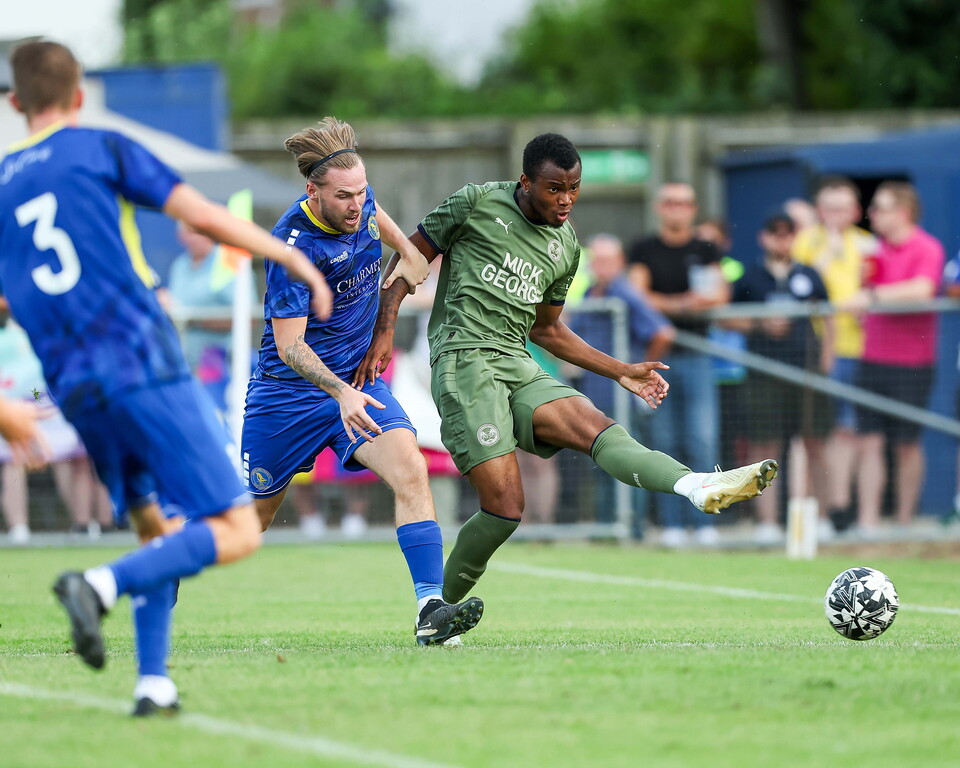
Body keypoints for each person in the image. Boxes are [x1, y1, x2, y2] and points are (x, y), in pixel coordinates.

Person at [0, 40, 333, 716]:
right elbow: (203, 214)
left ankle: (154, 682)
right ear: (79, 97)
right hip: (140, 362)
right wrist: (292, 262)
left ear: (14, 104)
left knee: (157, 529)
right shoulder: (100, 147)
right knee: (236, 530)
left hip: (76, 389)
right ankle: (97, 585)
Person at [356, 133, 778, 608]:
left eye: (573, 188)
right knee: (505, 509)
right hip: (463, 360)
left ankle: (696, 485)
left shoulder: (565, 245)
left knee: (596, 426)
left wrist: (620, 370)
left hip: (516, 358)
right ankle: (433, 608)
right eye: (555, 188)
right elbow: (409, 259)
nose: (566, 200)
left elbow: (548, 330)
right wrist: (384, 329)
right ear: (526, 182)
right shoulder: (475, 203)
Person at [240, 117, 483, 646]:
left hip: (357, 383)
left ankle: (430, 611)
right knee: (249, 524)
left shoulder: (366, 207)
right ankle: (162, 571)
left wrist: (384, 327)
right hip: (288, 396)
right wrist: (341, 392)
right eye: (345, 196)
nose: (358, 205)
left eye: (363, 192)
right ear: (313, 192)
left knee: (411, 470)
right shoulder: (291, 246)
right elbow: (290, 346)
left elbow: (414, 257)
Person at [626, 183, 729, 547]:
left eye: (684, 203)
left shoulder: (705, 248)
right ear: (659, 208)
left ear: (694, 208)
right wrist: (684, 303)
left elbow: (718, 294)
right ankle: (670, 524)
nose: (677, 209)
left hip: (698, 355)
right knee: (664, 442)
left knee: (701, 439)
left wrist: (669, 304)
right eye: (670, 202)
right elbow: (639, 295)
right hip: (658, 358)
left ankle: (706, 522)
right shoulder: (643, 248)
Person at [840, 182, 944, 534]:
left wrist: (872, 297)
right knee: (868, 441)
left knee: (906, 444)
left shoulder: (927, 247)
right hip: (872, 358)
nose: (874, 215)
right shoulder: (874, 252)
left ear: (903, 212)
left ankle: (904, 521)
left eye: (881, 208)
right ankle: (868, 522)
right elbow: (861, 301)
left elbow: (922, 289)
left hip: (913, 362)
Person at [726, 211, 833, 544]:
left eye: (788, 234)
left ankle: (822, 517)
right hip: (763, 372)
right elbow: (726, 318)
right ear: (764, 237)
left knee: (814, 443)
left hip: (806, 371)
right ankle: (767, 521)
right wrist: (761, 323)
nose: (781, 240)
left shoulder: (809, 274)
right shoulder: (749, 277)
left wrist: (827, 357)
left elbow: (827, 317)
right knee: (765, 445)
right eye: (775, 233)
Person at [569, 233, 673, 537]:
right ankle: (608, 528)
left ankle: (633, 528)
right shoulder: (590, 293)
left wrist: (644, 372)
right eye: (596, 260)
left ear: (620, 263)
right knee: (603, 462)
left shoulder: (624, 294)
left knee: (630, 461)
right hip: (596, 393)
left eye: (607, 260)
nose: (600, 266)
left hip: (624, 396)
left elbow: (662, 332)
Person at [792, 177, 875, 533]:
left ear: (855, 211)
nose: (836, 216)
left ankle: (844, 508)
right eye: (829, 208)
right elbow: (801, 284)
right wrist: (827, 252)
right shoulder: (805, 242)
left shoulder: (868, 244)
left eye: (843, 209)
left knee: (851, 432)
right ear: (819, 210)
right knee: (813, 434)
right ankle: (816, 513)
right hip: (813, 350)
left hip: (857, 348)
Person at [161, 223, 256, 413]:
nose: (197, 237)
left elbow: (249, 317)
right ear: (181, 236)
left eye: (202, 231)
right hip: (186, 362)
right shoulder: (180, 265)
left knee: (218, 416)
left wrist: (194, 319)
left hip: (219, 360)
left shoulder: (228, 262)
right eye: (191, 231)